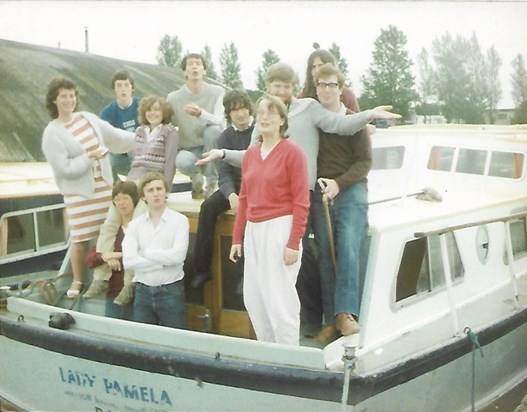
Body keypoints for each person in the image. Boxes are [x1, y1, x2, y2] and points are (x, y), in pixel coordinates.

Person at [42, 76, 135, 298]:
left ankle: (107, 280)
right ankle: (77, 281)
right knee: (81, 238)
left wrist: (142, 137)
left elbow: (116, 138)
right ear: (54, 100)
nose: (69, 100)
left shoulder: (88, 118)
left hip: (104, 187)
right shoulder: (52, 133)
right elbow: (64, 168)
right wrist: (89, 157)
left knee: (110, 232)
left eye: (72, 95)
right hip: (78, 194)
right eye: (63, 96)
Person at [230, 94, 310, 346]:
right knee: (254, 298)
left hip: (280, 229)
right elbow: (244, 198)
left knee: (280, 300)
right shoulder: (250, 155)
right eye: (261, 112)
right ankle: (269, 352)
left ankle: (289, 357)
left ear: (282, 120)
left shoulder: (293, 153)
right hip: (254, 231)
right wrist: (236, 238)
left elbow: (301, 202)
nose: (264, 117)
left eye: (271, 112)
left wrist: (293, 242)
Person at [83, 95, 179, 299]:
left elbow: (169, 163)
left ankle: (129, 282)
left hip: (150, 182)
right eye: (149, 110)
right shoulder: (139, 131)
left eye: (157, 110)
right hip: (132, 179)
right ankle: (101, 277)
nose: (153, 113)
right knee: (110, 223)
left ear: (164, 113)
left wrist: (165, 189)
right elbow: (134, 161)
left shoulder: (170, 132)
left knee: (136, 227)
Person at [311, 63, 372, 344]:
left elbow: (365, 162)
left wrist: (339, 183)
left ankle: (346, 313)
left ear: (340, 88)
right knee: (325, 251)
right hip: (322, 191)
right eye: (321, 85)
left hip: (351, 189)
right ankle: (330, 319)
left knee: (347, 241)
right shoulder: (312, 121)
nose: (326, 90)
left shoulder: (354, 121)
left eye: (331, 85)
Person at [191, 89, 254, 289]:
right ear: (228, 114)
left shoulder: (259, 131)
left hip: (255, 188)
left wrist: (242, 196)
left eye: (243, 108)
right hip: (234, 188)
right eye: (235, 110)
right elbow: (224, 173)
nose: (240, 113)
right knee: (207, 208)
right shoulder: (225, 137)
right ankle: (202, 269)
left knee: (249, 216)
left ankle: (244, 274)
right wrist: (231, 194)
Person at [122, 172, 189, 328]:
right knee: (144, 343)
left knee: (175, 341)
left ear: (166, 192)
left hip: (171, 292)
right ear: (143, 197)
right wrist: (161, 262)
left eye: (159, 188)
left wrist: (145, 253)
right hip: (142, 293)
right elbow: (129, 261)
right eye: (150, 190)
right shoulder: (135, 225)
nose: (156, 193)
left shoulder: (180, 221)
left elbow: (178, 256)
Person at [167, 53, 226, 199]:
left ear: (204, 71)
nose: (194, 67)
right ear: (184, 72)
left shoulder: (217, 92)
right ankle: (196, 179)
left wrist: (201, 114)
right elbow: (168, 125)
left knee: (213, 130)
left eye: (198, 64)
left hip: (212, 148)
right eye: (190, 64)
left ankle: (212, 182)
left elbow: (220, 122)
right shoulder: (174, 97)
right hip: (189, 151)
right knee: (181, 160)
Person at [85, 180, 140, 318]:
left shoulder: (143, 226)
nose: (122, 203)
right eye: (117, 200)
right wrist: (105, 256)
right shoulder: (112, 230)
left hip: (138, 294)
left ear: (134, 199)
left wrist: (120, 256)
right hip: (113, 293)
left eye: (125, 198)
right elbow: (90, 259)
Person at [99, 69, 140, 180]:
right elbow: (102, 141)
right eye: (119, 85)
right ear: (114, 89)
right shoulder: (107, 113)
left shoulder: (142, 106)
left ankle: (139, 183)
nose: (123, 89)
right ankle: (119, 190)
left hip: (143, 158)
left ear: (132, 88)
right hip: (121, 157)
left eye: (126, 85)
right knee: (103, 162)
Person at [299, 47, 360, 113]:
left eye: (320, 65)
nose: (316, 70)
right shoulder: (303, 98)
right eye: (313, 67)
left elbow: (357, 120)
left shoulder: (347, 96)